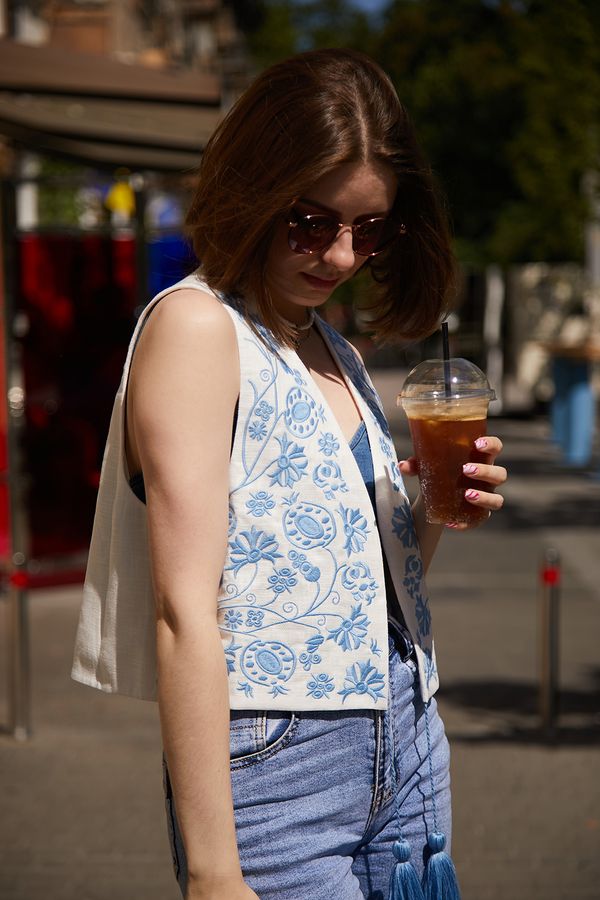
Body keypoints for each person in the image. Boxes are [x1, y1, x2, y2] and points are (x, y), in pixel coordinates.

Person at [72, 48, 506, 900]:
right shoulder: (198, 327)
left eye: (369, 230)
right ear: (255, 187)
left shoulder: (328, 343)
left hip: (409, 730)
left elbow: (368, 582)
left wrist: (434, 504)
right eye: (312, 222)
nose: (341, 256)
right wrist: (211, 869)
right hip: (282, 761)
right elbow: (184, 610)